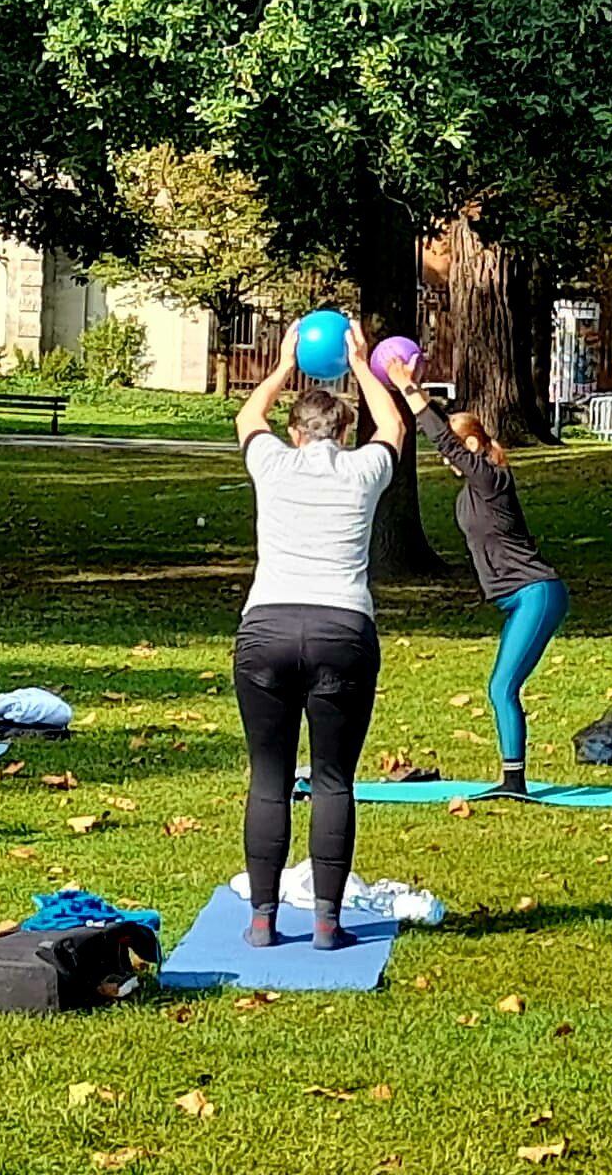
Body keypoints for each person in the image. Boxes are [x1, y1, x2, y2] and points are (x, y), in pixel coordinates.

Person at [232, 315, 405, 949]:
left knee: (269, 777)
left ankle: (262, 921)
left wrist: (281, 366)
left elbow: (247, 419)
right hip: (342, 632)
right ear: (345, 431)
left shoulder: (272, 463)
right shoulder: (364, 472)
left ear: (295, 431)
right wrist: (364, 364)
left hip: (267, 631)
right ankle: (328, 923)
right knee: (333, 778)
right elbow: (396, 428)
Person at [387, 359, 566, 799]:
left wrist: (411, 390)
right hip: (519, 599)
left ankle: (514, 781)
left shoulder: (492, 480)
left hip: (537, 593)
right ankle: (512, 777)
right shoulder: (471, 494)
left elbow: (443, 439)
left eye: (454, 449)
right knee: (502, 686)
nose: (444, 457)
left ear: (471, 444)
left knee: (501, 687)